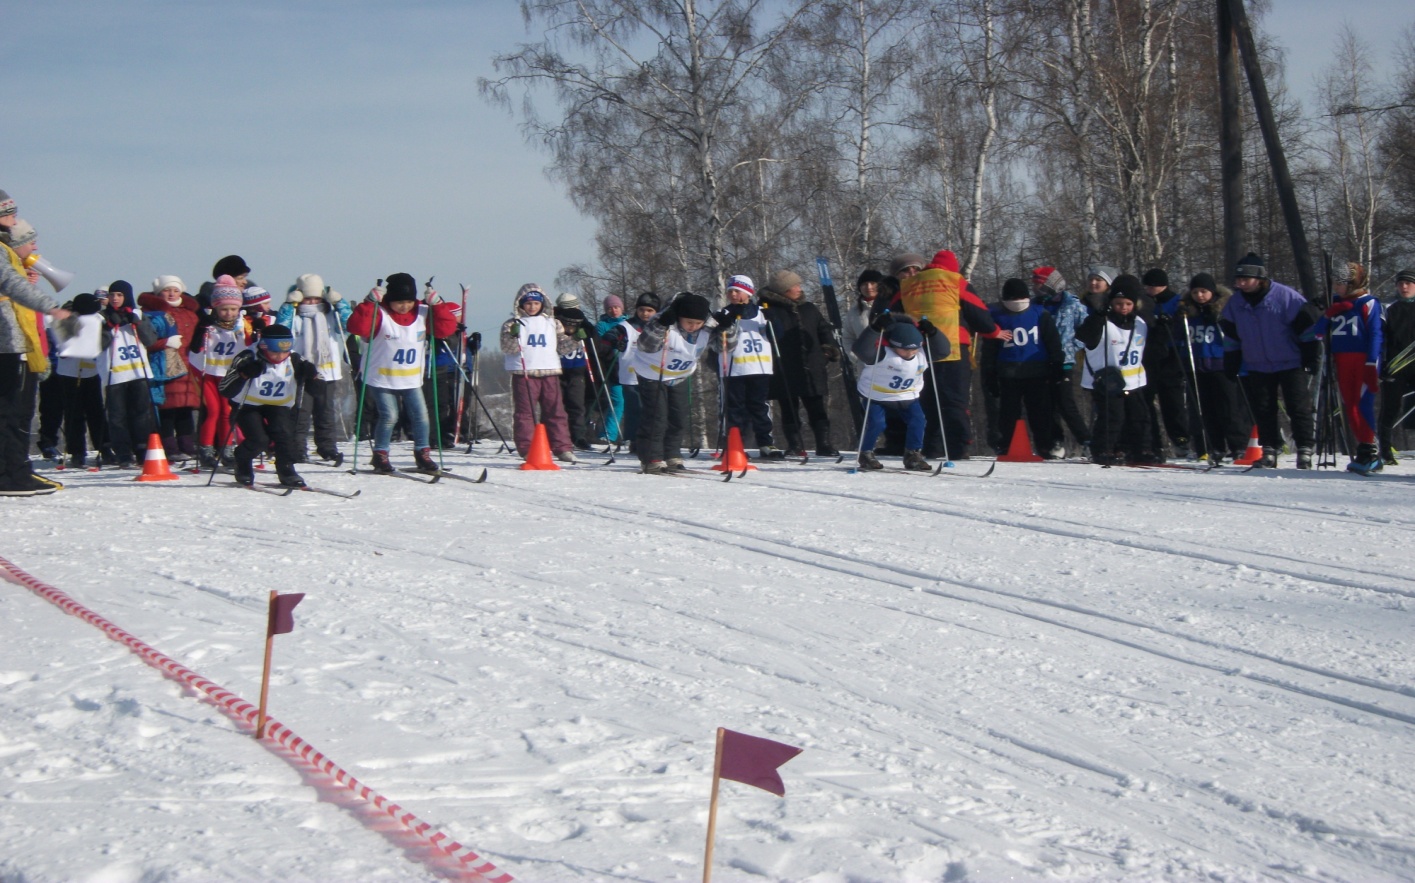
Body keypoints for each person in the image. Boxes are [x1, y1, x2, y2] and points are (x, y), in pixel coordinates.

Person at [883, 250, 1001, 458]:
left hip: (918, 350)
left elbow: (893, 314)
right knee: (954, 400)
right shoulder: (954, 281)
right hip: (953, 348)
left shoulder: (909, 286)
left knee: (926, 399)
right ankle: (958, 446)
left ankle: (932, 446)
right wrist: (994, 332)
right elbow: (978, 312)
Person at [347, 273, 461, 474]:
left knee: (422, 417)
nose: (404, 306)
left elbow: (445, 329)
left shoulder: (423, 313)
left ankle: (422, 453)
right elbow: (357, 327)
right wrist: (368, 304)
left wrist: (438, 305)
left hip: (410, 377)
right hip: (382, 377)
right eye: (399, 302)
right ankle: (380, 454)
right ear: (389, 300)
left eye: (408, 302)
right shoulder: (380, 313)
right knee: (390, 415)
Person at [1221, 252, 1319, 469]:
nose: (1241, 283)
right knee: (1263, 408)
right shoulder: (1235, 303)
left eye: (1246, 279)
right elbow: (1231, 335)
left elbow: (1307, 328)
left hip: (1290, 361)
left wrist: (1311, 356)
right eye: (1238, 280)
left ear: (1260, 278)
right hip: (1257, 363)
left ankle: (1304, 448)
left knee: (1298, 407)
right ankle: (1269, 448)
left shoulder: (1286, 297)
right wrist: (1231, 360)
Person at [0, 216, 70, 495]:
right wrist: (52, 307)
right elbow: (10, 283)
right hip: (5, 344)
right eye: (10, 213)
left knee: (11, 411)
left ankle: (14, 471)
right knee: (8, 411)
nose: (13, 218)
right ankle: (11, 475)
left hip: (9, 344)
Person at [218, 324, 317, 488]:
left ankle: (287, 471)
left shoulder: (295, 359)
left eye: (284, 352)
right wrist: (244, 374)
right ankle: (242, 461)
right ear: (263, 347)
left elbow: (317, 391)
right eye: (274, 352)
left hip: (279, 404)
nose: (280, 356)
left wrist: (311, 376)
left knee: (284, 435)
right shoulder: (248, 356)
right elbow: (225, 389)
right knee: (259, 440)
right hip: (248, 404)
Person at [758, 269, 839, 457]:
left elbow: (823, 329)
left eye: (798, 285)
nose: (798, 288)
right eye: (793, 286)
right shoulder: (767, 311)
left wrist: (828, 349)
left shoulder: (809, 308)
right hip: (783, 366)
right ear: (782, 291)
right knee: (788, 408)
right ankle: (794, 445)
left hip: (812, 365)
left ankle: (824, 444)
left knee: (817, 407)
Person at [1314, 261, 1384, 474]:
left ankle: (1371, 450)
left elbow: (1375, 334)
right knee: (1349, 406)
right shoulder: (1335, 303)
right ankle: (1363, 448)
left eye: (1340, 284)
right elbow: (1316, 333)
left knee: (1363, 405)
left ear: (1352, 283)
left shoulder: (1368, 303)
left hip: (1363, 360)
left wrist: (1372, 362)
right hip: (1342, 359)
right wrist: (1328, 315)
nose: (1336, 287)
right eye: (1335, 283)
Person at [981, 279, 1064, 458]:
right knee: (1036, 412)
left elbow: (989, 349)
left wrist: (989, 373)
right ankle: (1042, 445)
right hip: (1028, 372)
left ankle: (1010, 445)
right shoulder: (1038, 313)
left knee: (1013, 412)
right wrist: (1057, 364)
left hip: (1016, 372)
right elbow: (1053, 343)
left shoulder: (997, 315)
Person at [634, 292, 714, 472]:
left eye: (697, 323)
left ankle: (672, 454)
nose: (693, 327)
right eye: (689, 322)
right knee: (657, 416)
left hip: (680, 375)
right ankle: (651, 457)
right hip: (653, 373)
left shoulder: (708, 327)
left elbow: (727, 345)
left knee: (678, 416)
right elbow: (645, 345)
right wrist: (661, 326)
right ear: (679, 317)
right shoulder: (663, 320)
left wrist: (727, 327)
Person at [1077, 274, 1153, 465]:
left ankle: (1140, 449)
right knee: (1112, 417)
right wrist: (1098, 315)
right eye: (1119, 303)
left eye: (1128, 303)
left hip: (1134, 380)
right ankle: (1104, 449)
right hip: (1106, 382)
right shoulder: (1102, 321)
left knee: (1140, 416)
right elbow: (1083, 335)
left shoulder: (1140, 323)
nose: (1124, 308)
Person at [276, 273, 351, 465]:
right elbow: (281, 329)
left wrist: (340, 302)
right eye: (307, 298)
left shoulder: (329, 315)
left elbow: (348, 323)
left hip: (327, 372)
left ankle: (327, 448)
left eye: (316, 298)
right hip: (302, 373)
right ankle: (297, 448)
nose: (311, 302)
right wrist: (287, 306)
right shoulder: (296, 316)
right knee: (301, 413)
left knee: (325, 412)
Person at [499, 283, 577, 463]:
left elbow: (563, 347)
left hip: (549, 371)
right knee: (525, 413)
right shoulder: (512, 323)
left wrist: (576, 339)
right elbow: (508, 348)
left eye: (536, 303)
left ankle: (562, 447)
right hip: (524, 372)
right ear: (521, 304)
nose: (532, 307)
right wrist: (512, 335)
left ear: (542, 304)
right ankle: (527, 447)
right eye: (528, 303)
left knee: (555, 411)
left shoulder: (552, 323)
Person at [852, 317, 942, 471]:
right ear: (893, 345)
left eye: (913, 349)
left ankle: (913, 454)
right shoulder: (882, 353)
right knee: (877, 423)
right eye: (905, 349)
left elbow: (943, 351)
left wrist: (933, 333)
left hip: (907, 396)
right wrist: (874, 329)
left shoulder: (921, 354)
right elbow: (861, 350)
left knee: (918, 420)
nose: (910, 353)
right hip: (877, 396)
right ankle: (865, 453)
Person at [1180, 273, 1250, 463]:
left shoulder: (1223, 307)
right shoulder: (1188, 311)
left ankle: (1238, 446)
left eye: (1204, 291)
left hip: (1220, 364)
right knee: (1205, 409)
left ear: (1212, 292)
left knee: (1228, 407)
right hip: (1198, 366)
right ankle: (1214, 446)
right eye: (1195, 292)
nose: (1200, 296)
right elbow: (1181, 336)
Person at [708, 274, 779, 458]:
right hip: (734, 369)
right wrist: (721, 324)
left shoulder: (762, 313)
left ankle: (766, 443)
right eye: (730, 290)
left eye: (737, 291)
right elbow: (712, 339)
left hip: (759, 368)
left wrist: (775, 320)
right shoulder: (724, 313)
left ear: (748, 292)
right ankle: (734, 443)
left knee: (759, 406)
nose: (733, 294)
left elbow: (778, 336)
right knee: (735, 408)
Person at [190, 275, 252, 468]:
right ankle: (206, 449)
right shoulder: (209, 325)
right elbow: (194, 348)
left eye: (233, 309)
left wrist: (258, 330)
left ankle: (226, 448)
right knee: (213, 411)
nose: (228, 313)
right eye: (224, 309)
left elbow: (251, 344)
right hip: (209, 373)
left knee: (227, 411)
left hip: (230, 373)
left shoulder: (243, 324)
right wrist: (202, 329)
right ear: (216, 308)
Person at [139, 276, 201, 466]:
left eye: (175, 290)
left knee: (185, 408)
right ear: (159, 293)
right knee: (167, 409)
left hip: (187, 365)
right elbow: (145, 340)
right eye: (167, 290)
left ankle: (187, 445)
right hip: (163, 364)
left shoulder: (190, 313)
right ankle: (169, 447)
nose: (171, 293)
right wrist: (164, 343)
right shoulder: (151, 313)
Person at [1032, 266, 1091, 458]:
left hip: (1064, 361)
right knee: (1046, 404)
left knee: (1066, 402)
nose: (1036, 288)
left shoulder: (1072, 305)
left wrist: (1072, 346)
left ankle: (1086, 440)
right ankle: (1055, 441)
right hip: (1040, 361)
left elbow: (1088, 330)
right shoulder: (1035, 306)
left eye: (1040, 284)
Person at [99, 281, 156, 468]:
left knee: (140, 413)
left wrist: (137, 323)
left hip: (137, 371)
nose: (115, 299)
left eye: (119, 295)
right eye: (112, 295)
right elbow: (97, 345)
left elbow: (150, 340)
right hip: (114, 374)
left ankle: (141, 450)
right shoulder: (101, 317)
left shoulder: (138, 314)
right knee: (117, 416)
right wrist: (108, 327)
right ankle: (123, 453)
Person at [50, 292, 110, 469]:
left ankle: (104, 447)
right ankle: (77, 451)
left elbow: (105, 340)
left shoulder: (98, 320)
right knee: (74, 413)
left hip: (91, 372)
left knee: (96, 412)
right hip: (70, 373)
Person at [1140, 269, 1191, 460]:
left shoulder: (1175, 301)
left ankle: (1180, 439)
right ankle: (1153, 442)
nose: (1150, 289)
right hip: (1149, 355)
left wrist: (1173, 321)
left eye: (1153, 286)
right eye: (1148, 286)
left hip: (1170, 355)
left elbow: (1182, 325)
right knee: (1146, 399)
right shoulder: (1144, 302)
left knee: (1172, 400)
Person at [600, 292, 659, 448]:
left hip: (655, 374)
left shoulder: (660, 327)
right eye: (641, 310)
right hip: (631, 374)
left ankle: (653, 439)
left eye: (649, 310)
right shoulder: (627, 326)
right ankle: (633, 440)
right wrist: (615, 342)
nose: (645, 314)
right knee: (634, 409)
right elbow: (607, 338)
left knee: (654, 409)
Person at [1378, 268, 1415, 465]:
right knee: (1390, 408)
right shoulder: (1389, 308)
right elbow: (1379, 338)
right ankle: (1385, 451)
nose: (1404, 287)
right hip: (1395, 366)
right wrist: (1380, 365)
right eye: (1401, 283)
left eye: (1408, 283)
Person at [554, 292, 596, 450]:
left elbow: (592, 335)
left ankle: (578, 436)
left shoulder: (581, 320)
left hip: (577, 369)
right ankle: (558, 436)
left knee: (577, 404)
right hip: (558, 369)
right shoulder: (555, 322)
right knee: (557, 405)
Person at [593, 294, 629, 444]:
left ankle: (631, 434)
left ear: (621, 308)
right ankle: (608, 434)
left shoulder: (629, 322)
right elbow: (600, 346)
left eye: (616, 307)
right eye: (609, 308)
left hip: (630, 367)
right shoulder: (602, 325)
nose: (613, 311)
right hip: (612, 367)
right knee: (617, 401)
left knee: (633, 401)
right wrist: (612, 344)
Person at [843, 269, 883, 369]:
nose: (869, 287)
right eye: (864, 284)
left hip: (892, 365)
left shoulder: (891, 305)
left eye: (873, 283)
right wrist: (857, 358)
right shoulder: (854, 312)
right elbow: (848, 337)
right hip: (866, 366)